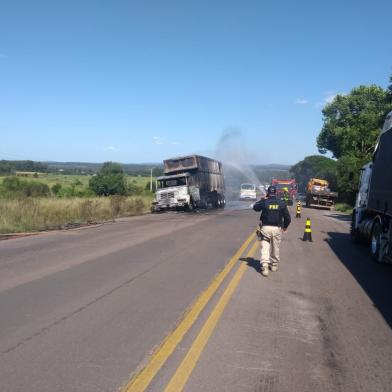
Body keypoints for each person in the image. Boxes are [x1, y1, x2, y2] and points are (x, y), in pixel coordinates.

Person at [253, 185, 291, 277]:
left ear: (268, 193)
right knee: (275, 247)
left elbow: (255, 207)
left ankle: (265, 266)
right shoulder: (281, 203)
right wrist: (285, 227)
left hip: (265, 228)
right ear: (276, 193)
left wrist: (262, 199)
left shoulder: (265, 202)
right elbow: (287, 217)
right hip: (277, 228)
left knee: (265, 247)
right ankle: (274, 265)